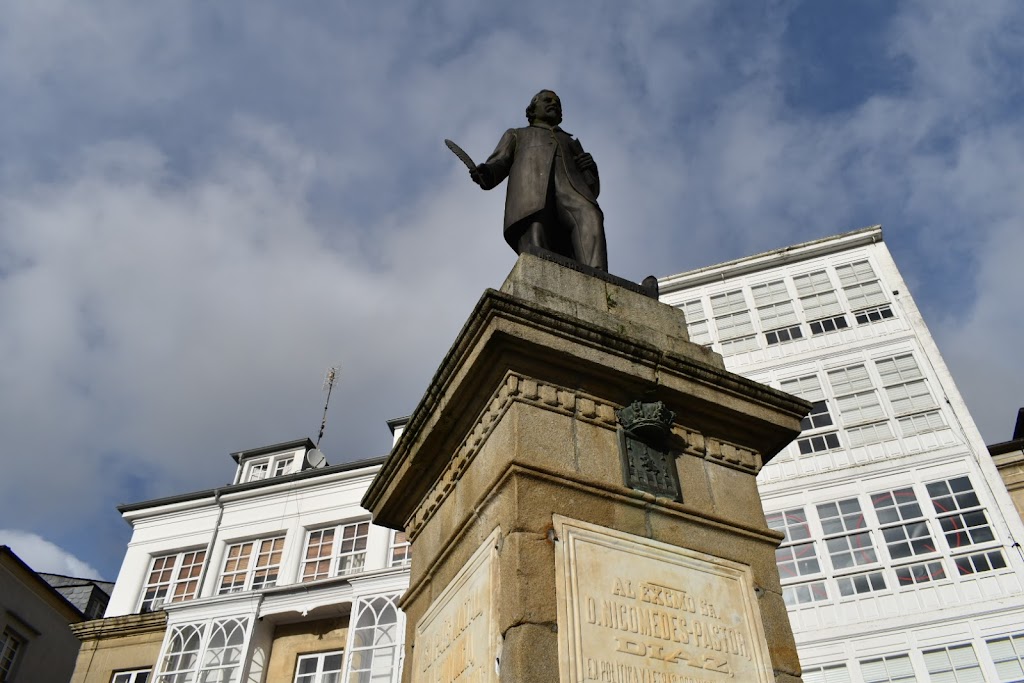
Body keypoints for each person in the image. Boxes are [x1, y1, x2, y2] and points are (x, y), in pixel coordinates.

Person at [470, 90, 608, 271]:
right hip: (532, 195)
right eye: (547, 100)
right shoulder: (517, 135)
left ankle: (597, 273)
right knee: (537, 232)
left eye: (557, 102)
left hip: (571, 192)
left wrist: (590, 169)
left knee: (590, 214)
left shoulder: (570, 142)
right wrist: (487, 172)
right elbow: (499, 162)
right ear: (533, 110)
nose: (554, 104)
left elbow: (592, 189)